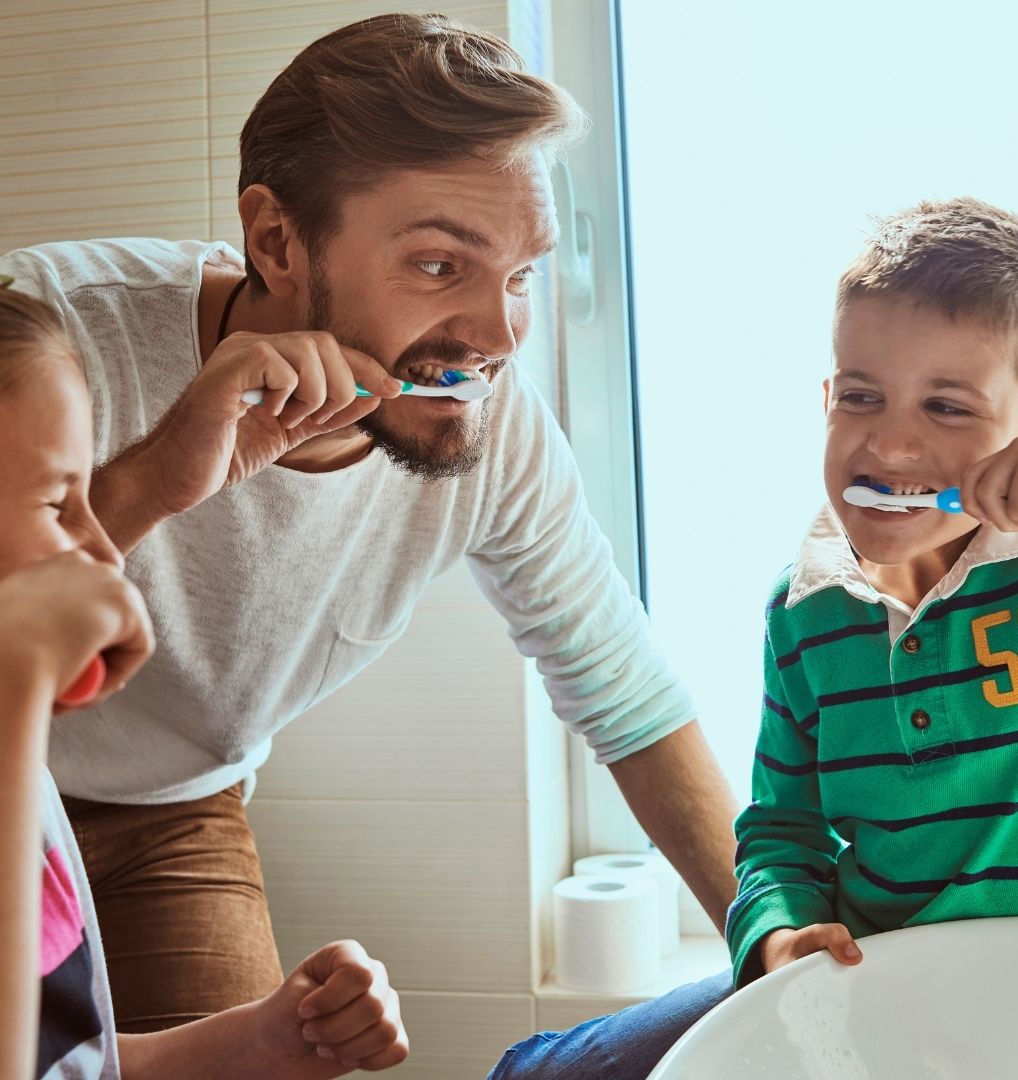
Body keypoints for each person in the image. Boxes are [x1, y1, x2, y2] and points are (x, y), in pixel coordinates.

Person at [0, 10, 739, 1068]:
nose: (495, 334)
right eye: (442, 265)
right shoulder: (50, 327)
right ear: (276, 243)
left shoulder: (499, 434)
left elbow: (624, 695)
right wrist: (152, 481)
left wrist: (770, 952)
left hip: (177, 807)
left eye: (520, 273)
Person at [0, 283, 407, 1077]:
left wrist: (266, 1035)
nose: (103, 546)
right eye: (58, 501)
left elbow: (75, 1061)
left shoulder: (28, 790)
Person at [726, 197, 1018, 989]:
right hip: (882, 992)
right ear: (826, 402)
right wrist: (779, 936)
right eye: (860, 397)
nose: (888, 443)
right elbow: (783, 828)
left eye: (947, 406)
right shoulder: (803, 613)